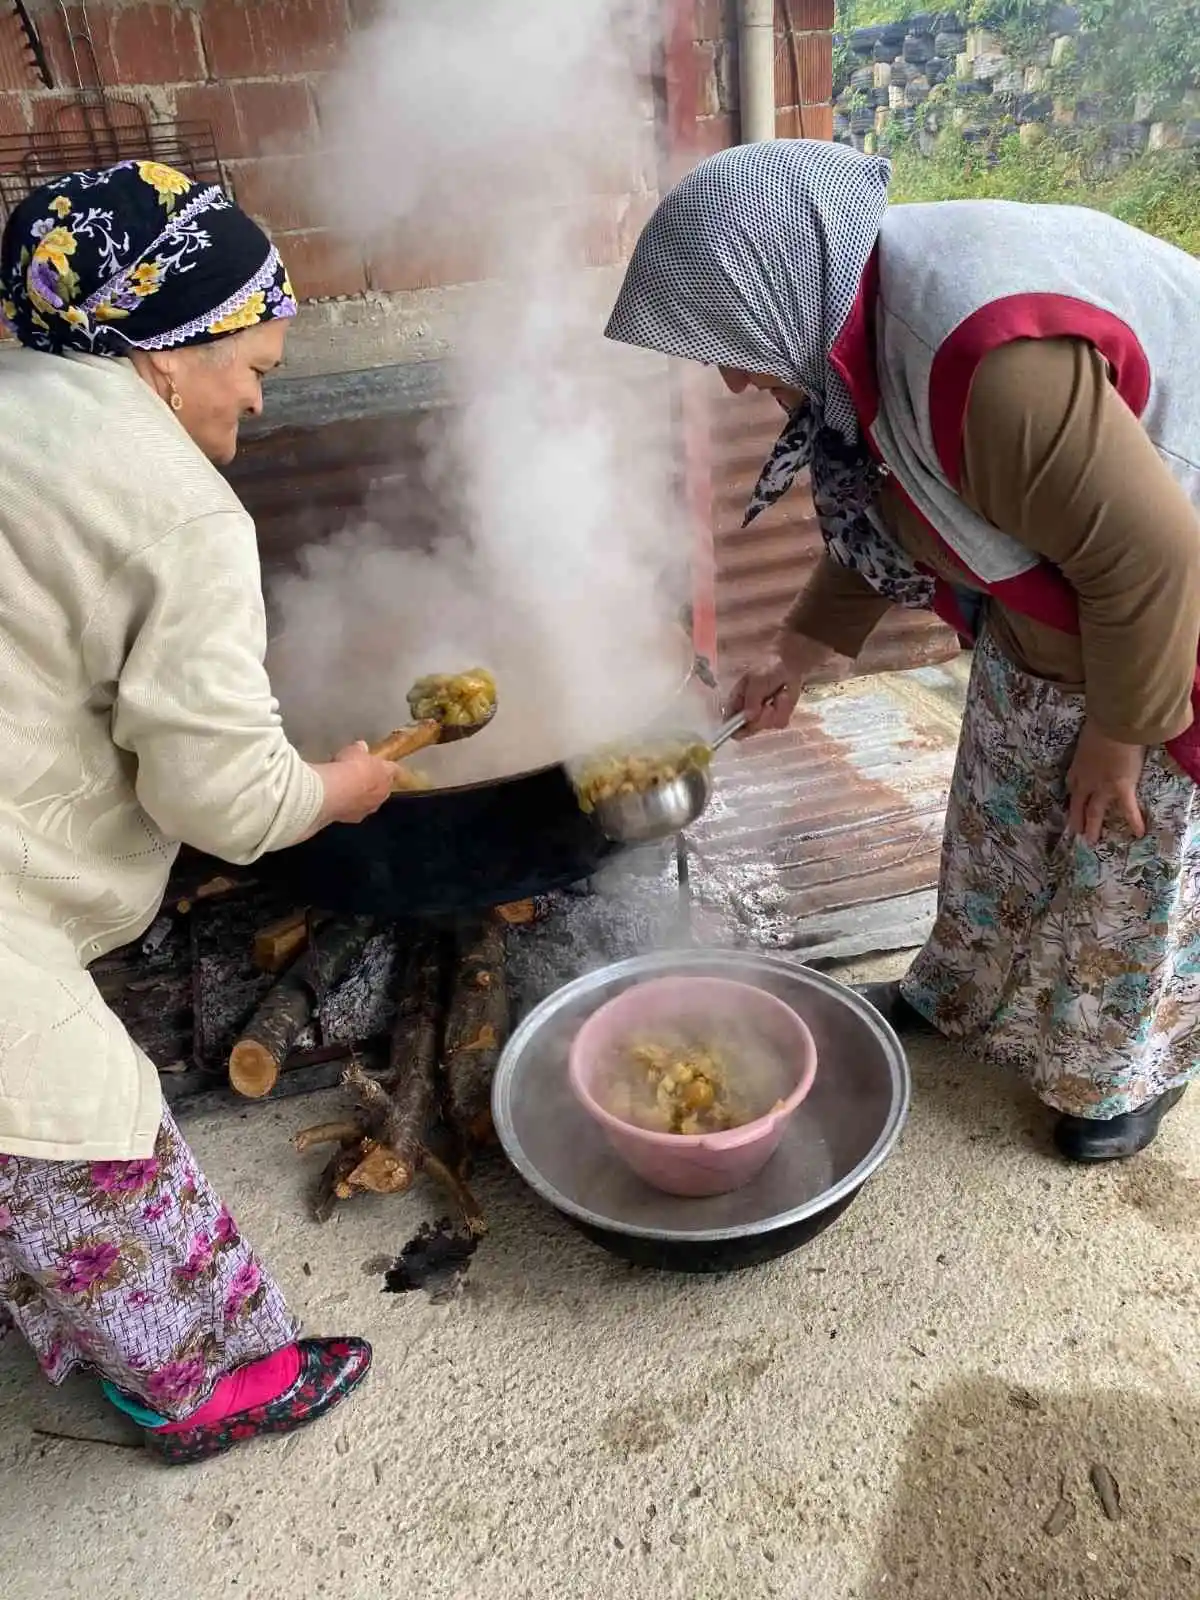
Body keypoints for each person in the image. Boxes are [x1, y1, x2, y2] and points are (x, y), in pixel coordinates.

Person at [605, 138, 1200, 1164]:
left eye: (727, 343)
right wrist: (797, 648)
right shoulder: (857, 336)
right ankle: (961, 991)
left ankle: (1120, 1071)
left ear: (776, 287)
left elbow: (1154, 555)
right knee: (999, 809)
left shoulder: (986, 369)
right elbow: (899, 507)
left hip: (1169, 609)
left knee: (1122, 852)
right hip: (1059, 612)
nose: (736, 379)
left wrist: (1121, 731)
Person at [0, 161, 401, 1464]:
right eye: (257, 366)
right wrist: (341, 790)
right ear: (168, 352)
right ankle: (201, 1390)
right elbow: (222, 795)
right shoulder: (174, 508)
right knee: (91, 1148)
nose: (260, 398)